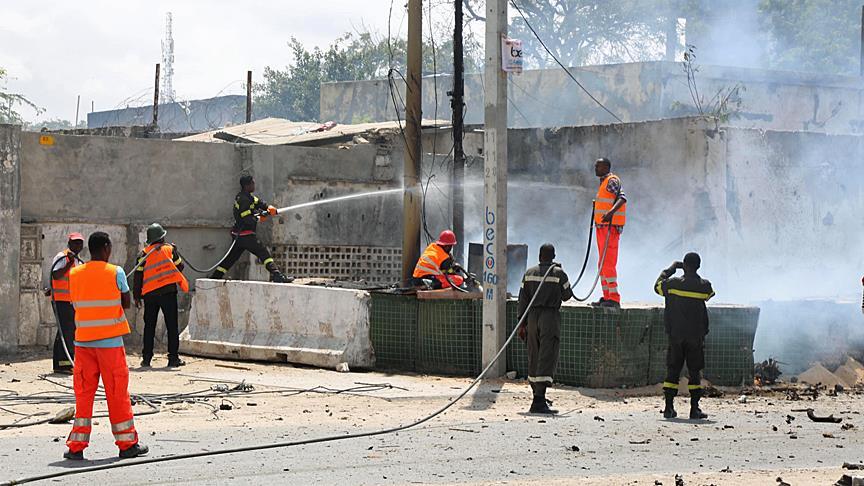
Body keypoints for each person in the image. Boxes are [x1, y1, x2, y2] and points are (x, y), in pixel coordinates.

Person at [64, 232, 148, 460]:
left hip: (83, 344)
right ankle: (126, 444)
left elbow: (76, 302)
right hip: (109, 344)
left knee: (83, 396)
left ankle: (76, 447)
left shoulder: (75, 274)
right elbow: (126, 302)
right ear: (106, 247)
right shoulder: (116, 272)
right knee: (117, 394)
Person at [654, 252, 715, 420]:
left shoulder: (673, 284)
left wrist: (672, 268)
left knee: (672, 370)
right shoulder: (704, 286)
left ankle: (668, 408)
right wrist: (693, 273)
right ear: (698, 267)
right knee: (695, 372)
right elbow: (709, 294)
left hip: (676, 336)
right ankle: (694, 409)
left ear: (684, 265)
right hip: (695, 337)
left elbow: (657, 286)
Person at [517, 243, 573, 414]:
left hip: (532, 318)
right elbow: (567, 295)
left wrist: (521, 323)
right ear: (553, 257)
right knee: (547, 355)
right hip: (549, 318)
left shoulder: (529, 273)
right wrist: (561, 274)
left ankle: (537, 395)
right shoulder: (559, 273)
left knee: (534, 355)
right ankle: (539, 401)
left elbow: (522, 299)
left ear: (539, 256)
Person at [209, 175, 292, 283]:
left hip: (238, 236)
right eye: (252, 183)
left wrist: (269, 208)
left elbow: (259, 203)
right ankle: (276, 275)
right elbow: (246, 218)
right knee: (263, 252)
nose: (254, 185)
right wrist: (259, 217)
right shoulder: (243, 199)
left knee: (230, 259)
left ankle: (215, 277)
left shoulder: (248, 197)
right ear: (247, 185)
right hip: (245, 234)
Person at [133, 223, 189, 368]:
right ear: (162, 237)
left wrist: (136, 295)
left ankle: (146, 359)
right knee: (172, 325)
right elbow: (180, 267)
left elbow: (138, 276)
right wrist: (175, 253)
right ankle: (173, 358)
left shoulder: (143, 254)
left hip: (150, 294)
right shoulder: (170, 250)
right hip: (168, 293)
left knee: (149, 326)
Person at [44, 233, 85, 374]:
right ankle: (64, 365)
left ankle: (61, 364)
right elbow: (56, 274)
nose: (78, 245)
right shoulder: (62, 257)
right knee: (66, 332)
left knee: (66, 332)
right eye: (75, 243)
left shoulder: (78, 261)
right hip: (61, 300)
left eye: (80, 243)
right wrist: (68, 262)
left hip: (71, 301)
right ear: (69, 243)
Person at [591, 157, 627, 308]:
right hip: (602, 228)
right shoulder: (603, 182)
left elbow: (622, 198)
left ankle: (614, 298)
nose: (595, 168)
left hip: (610, 228)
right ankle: (607, 296)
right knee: (603, 263)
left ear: (606, 167)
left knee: (608, 263)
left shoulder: (612, 180)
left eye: (598, 166)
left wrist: (611, 212)